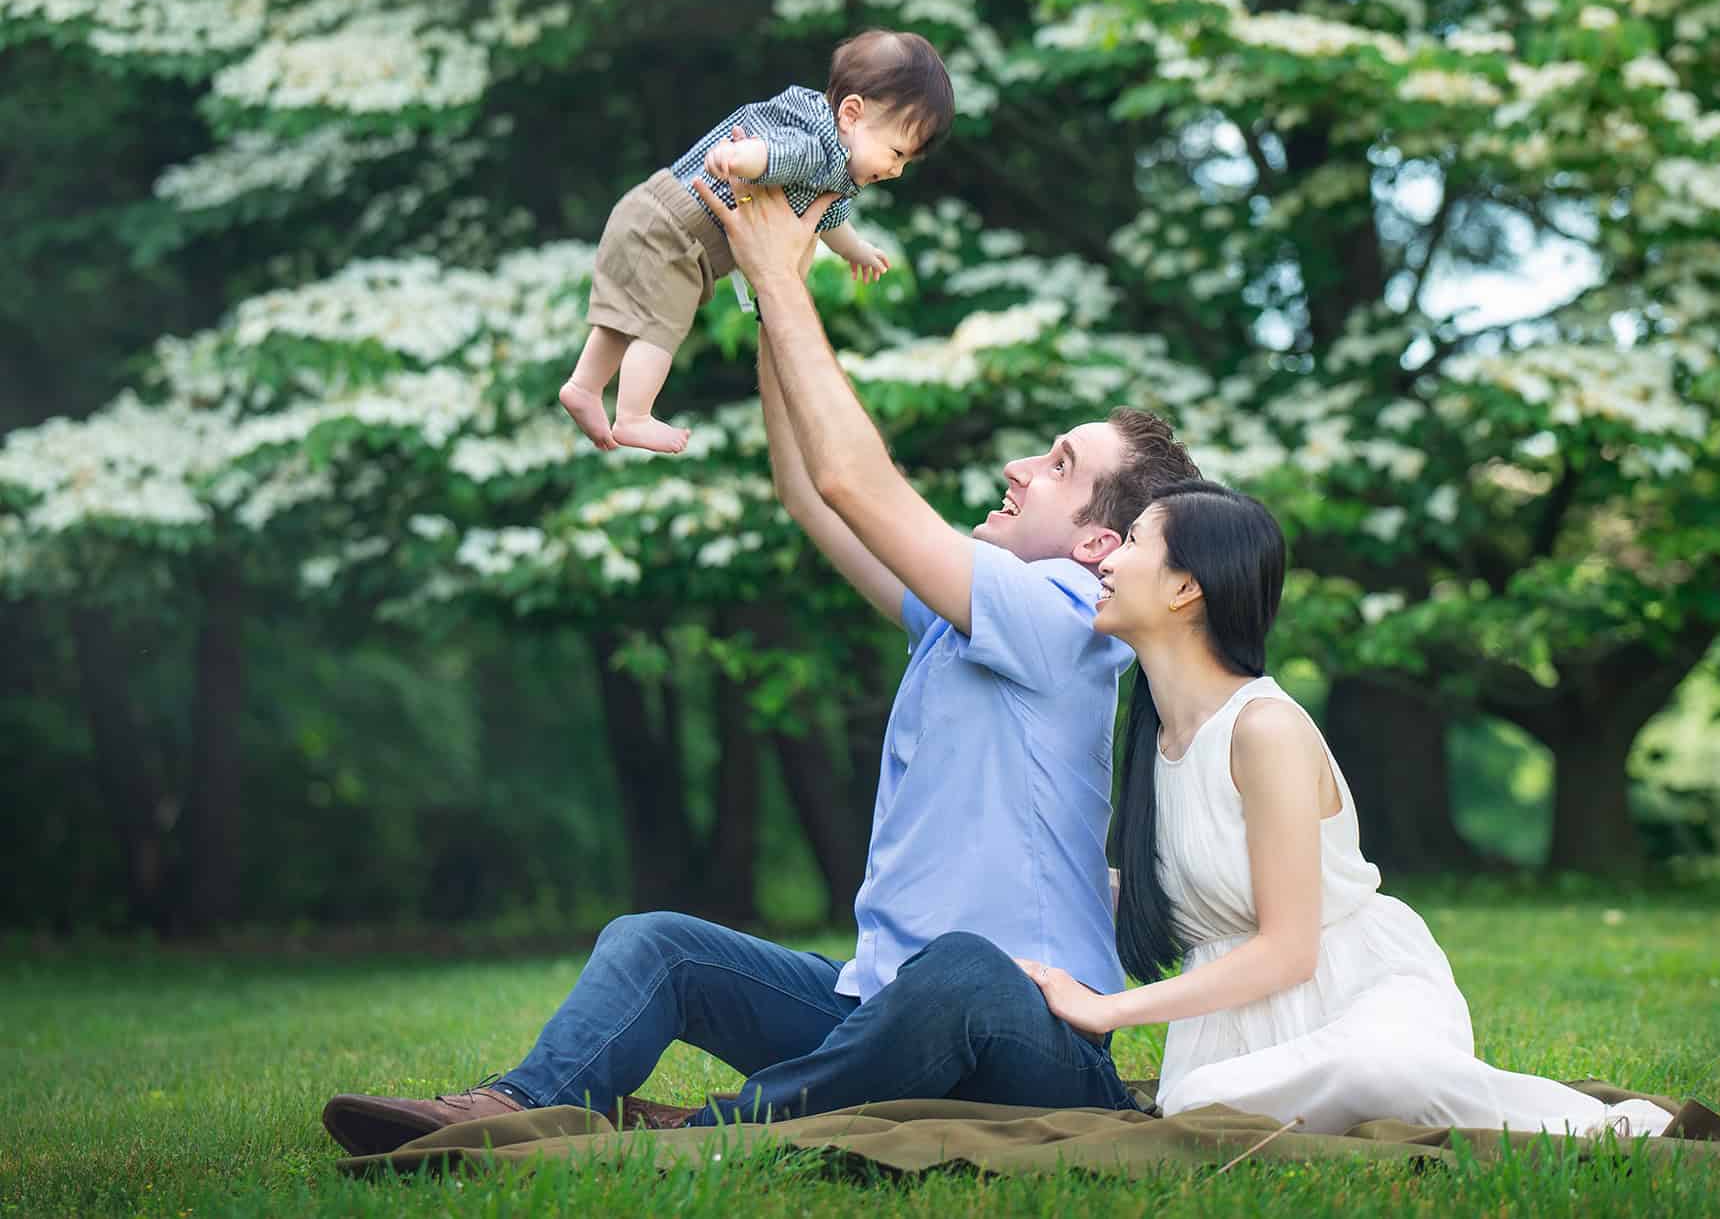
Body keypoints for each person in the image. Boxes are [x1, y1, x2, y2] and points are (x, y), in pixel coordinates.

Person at [321, 179, 1201, 1156]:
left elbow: (851, 479)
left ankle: (713, 1130)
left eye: (1057, 466)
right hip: (887, 1011)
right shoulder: (971, 616)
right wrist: (759, 285)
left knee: (963, 968)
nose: (1019, 471)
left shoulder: (1068, 622)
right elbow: (813, 494)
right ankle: (516, 1105)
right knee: (656, 944)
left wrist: (786, 277)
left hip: (1033, 1043)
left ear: (1095, 545)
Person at [1017, 480, 1675, 1140]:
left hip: (1363, 993)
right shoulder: (1157, 740)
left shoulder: (1263, 727)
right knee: (1199, 1102)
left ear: (1186, 587)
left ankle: (1600, 1126)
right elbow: (1188, 895)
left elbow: (1289, 951)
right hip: (1235, 1034)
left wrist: (1109, 1010)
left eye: (1132, 542)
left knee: (1380, 1070)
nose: (1104, 559)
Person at [558, 28, 950, 454]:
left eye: (907, 161)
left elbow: (830, 217)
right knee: (660, 326)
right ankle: (633, 415)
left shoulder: (834, 162)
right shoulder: (814, 145)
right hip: (673, 231)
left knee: (629, 317)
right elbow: (775, 153)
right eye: (896, 153)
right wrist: (741, 158)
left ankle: (583, 387)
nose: (897, 171)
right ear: (851, 114)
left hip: (657, 217)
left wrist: (855, 249)